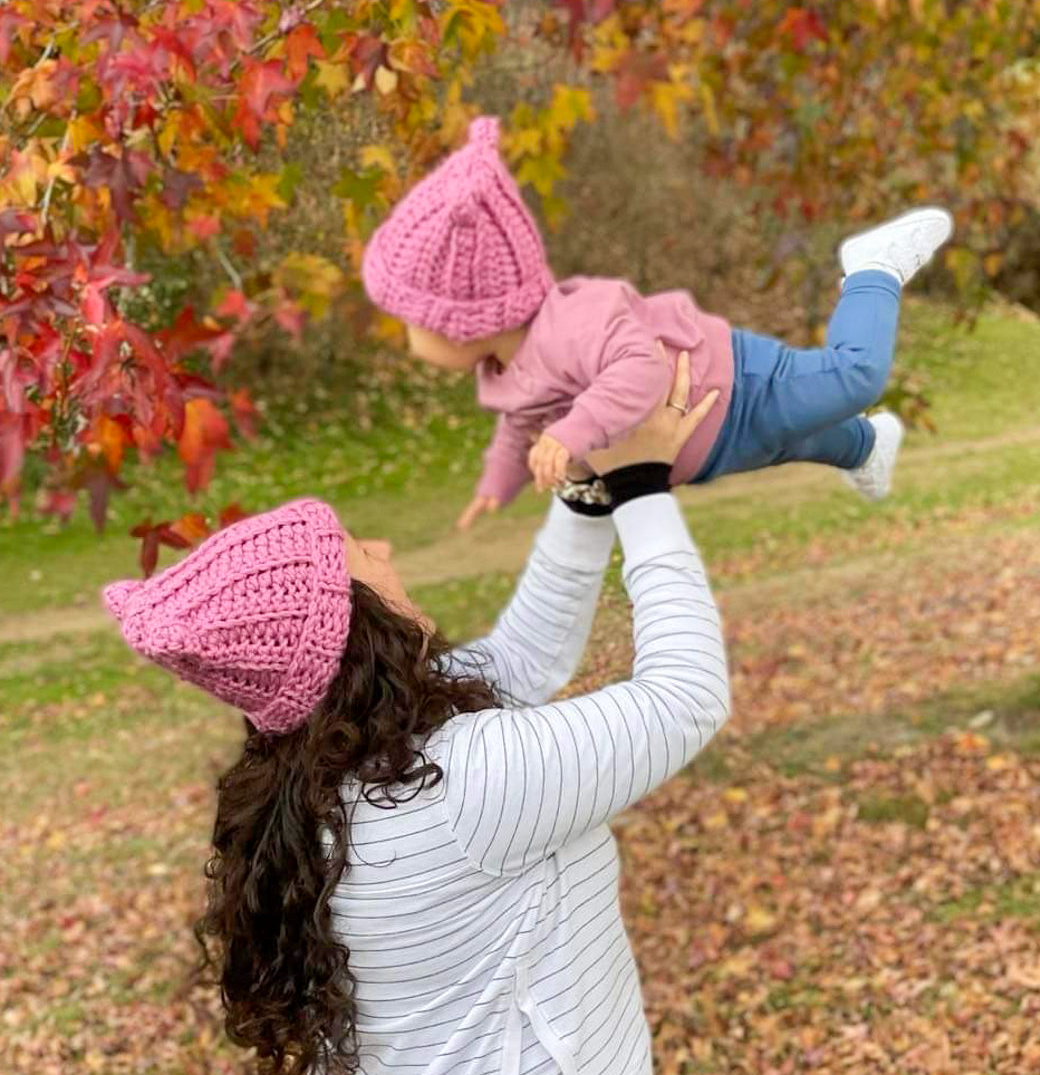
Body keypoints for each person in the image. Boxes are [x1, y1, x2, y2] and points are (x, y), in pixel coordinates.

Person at [102, 354, 729, 1075]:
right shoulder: (464, 783)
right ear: (356, 622)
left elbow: (520, 662)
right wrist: (643, 487)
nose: (387, 547)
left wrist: (591, 487)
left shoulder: (330, 770)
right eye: (363, 551)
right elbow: (686, 697)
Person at [361, 115, 954, 531]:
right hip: (714, 443)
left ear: (464, 321)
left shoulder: (571, 324)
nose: (406, 338)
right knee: (796, 438)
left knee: (854, 379)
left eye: (411, 322)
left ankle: (872, 269)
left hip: (737, 388)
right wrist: (498, 484)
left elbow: (639, 368)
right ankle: (867, 449)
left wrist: (574, 433)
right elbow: (520, 433)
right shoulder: (506, 371)